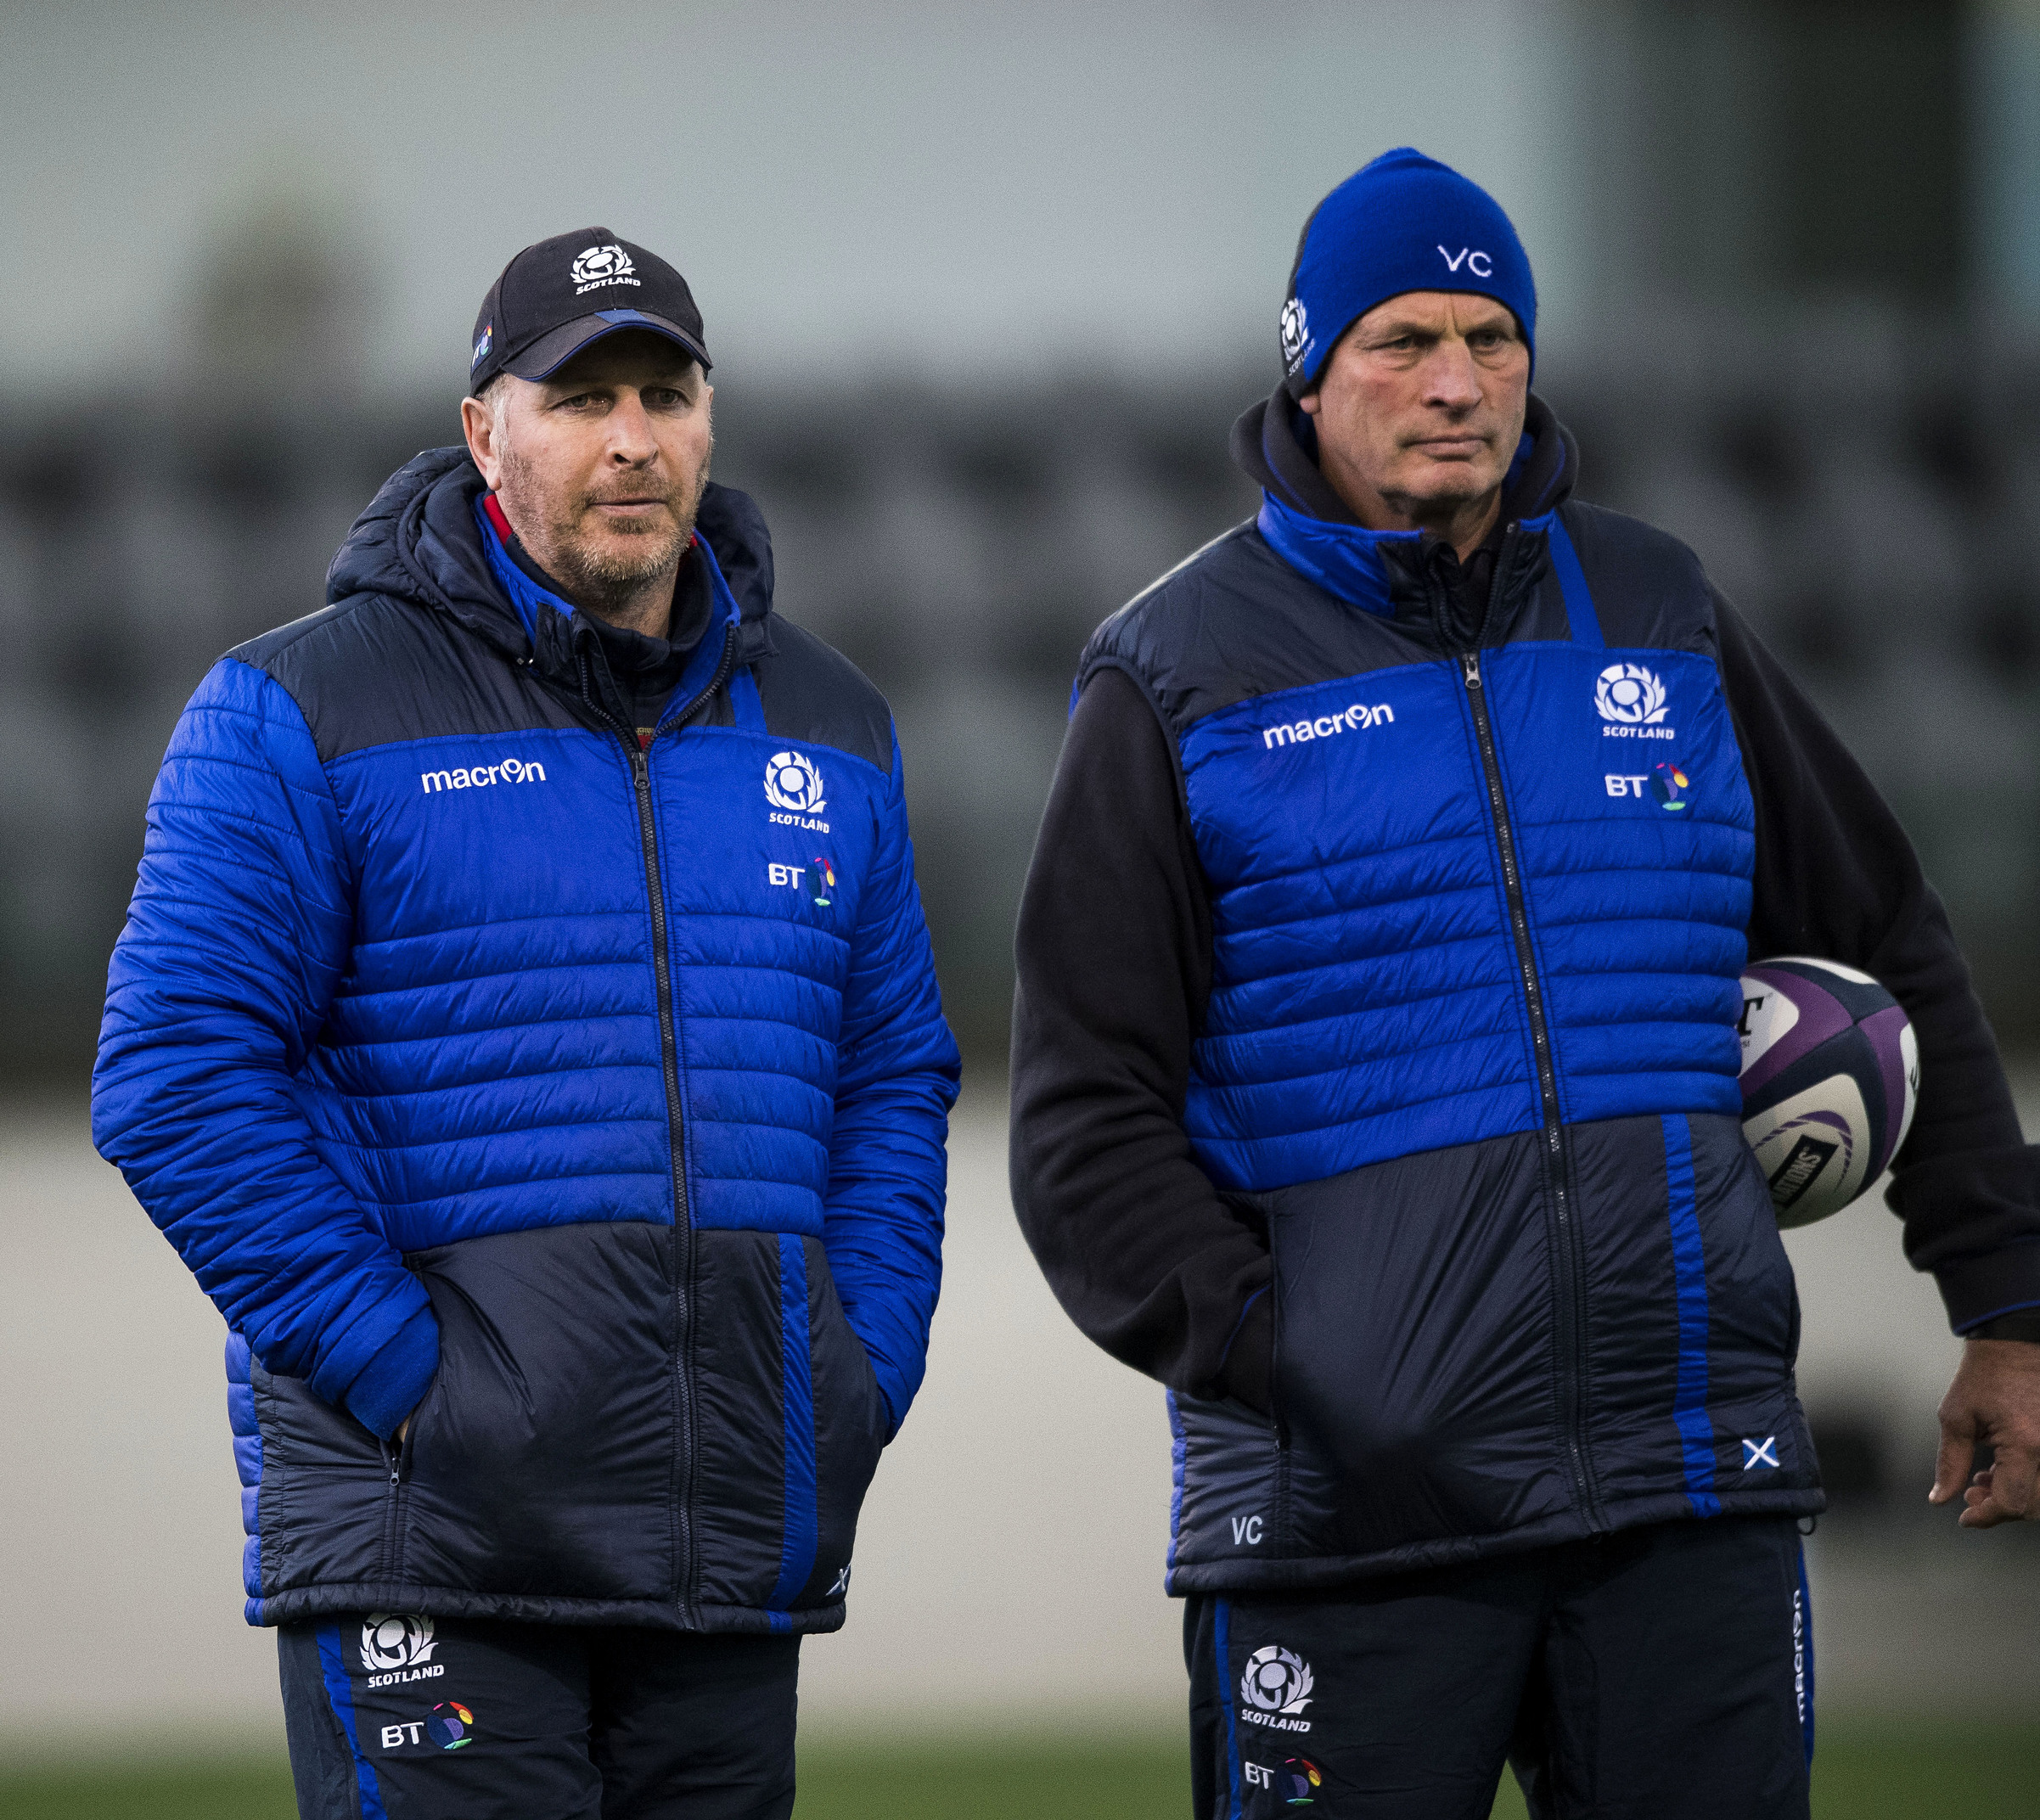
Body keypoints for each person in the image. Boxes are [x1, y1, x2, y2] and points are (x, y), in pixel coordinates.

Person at [1009, 149, 2040, 1819]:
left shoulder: (1658, 610)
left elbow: (1892, 945)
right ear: (1308, 367)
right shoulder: (1170, 673)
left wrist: (2007, 1308)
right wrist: (1297, 1357)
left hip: (1683, 1490)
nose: (1453, 382)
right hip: (1348, 1523)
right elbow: (1080, 1121)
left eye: (1491, 339)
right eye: (1401, 339)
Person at [93, 227, 959, 1819]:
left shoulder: (833, 724)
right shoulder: (297, 708)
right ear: (486, 431)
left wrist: (859, 1369)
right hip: (436, 1541)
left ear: (709, 418)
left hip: (722, 1539)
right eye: (578, 398)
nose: (630, 439)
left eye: (665, 391)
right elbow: (170, 1076)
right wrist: (416, 1384)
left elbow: (894, 1072)